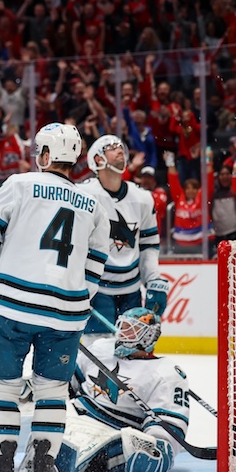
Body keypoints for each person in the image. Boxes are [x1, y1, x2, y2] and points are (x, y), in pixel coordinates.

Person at [0, 122, 110, 472]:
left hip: (15, 307)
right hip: (67, 313)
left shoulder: (19, 184)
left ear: (45, 155)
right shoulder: (94, 203)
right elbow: (95, 268)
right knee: (52, 389)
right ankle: (46, 470)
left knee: (3, 387)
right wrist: (72, 294)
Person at [0, 308, 190, 472]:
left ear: (149, 337)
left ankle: (48, 466)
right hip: (76, 407)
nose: (122, 335)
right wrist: (34, 390)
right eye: (122, 326)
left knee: (69, 445)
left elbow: (168, 432)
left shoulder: (167, 374)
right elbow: (66, 382)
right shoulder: (103, 347)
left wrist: (155, 449)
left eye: (132, 331)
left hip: (110, 428)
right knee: (16, 414)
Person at [76, 135, 168, 336]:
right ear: (98, 160)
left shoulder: (143, 198)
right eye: (111, 147)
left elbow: (148, 245)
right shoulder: (83, 196)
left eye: (120, 146)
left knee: (133, 353)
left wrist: (153, 280)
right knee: (99, 351)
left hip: (131, 291)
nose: (119, 150)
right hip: (96, 290)